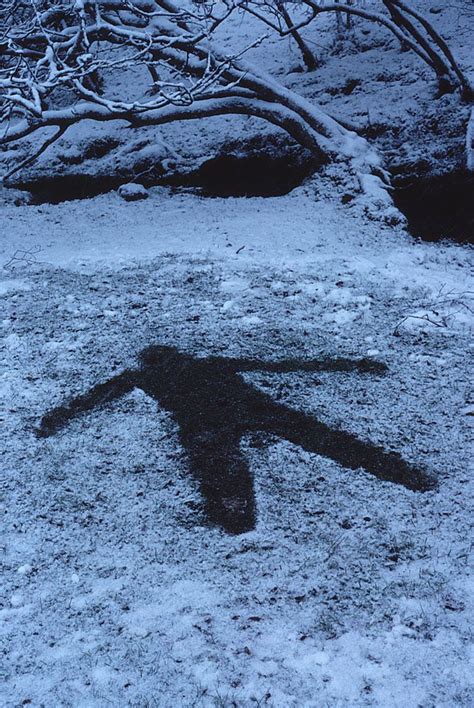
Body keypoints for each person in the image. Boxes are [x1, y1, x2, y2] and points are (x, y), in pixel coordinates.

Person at [38, 345, 436, 534]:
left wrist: (56, 419)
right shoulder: (203, 364)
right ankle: (238, 525)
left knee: (224, 466)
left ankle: (238, 523)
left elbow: (283, 364)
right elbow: (283, 364)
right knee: (320, 441)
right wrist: (56, 419)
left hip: (215, 418)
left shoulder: (150, 375)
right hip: (240, 411)